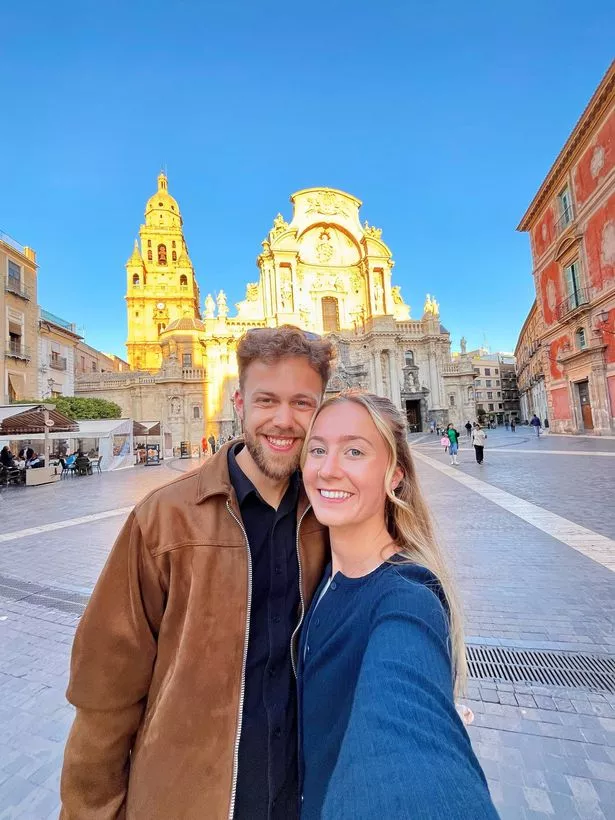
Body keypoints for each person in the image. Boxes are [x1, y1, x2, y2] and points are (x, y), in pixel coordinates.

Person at [60, 326, 334, 819]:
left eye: (303, 403)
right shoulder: (162, 520)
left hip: (303, 799)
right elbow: (105, 694)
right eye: (266, 399)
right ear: (239, 403)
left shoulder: (332, 518)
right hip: (187, 800)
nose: (284, 420)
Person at [299, 391, 497, 819]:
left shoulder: (407, 600)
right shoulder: (318, 576)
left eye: (354, 450)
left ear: (395, 475)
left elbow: (410, 746)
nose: (328, 468)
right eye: (317, 449)